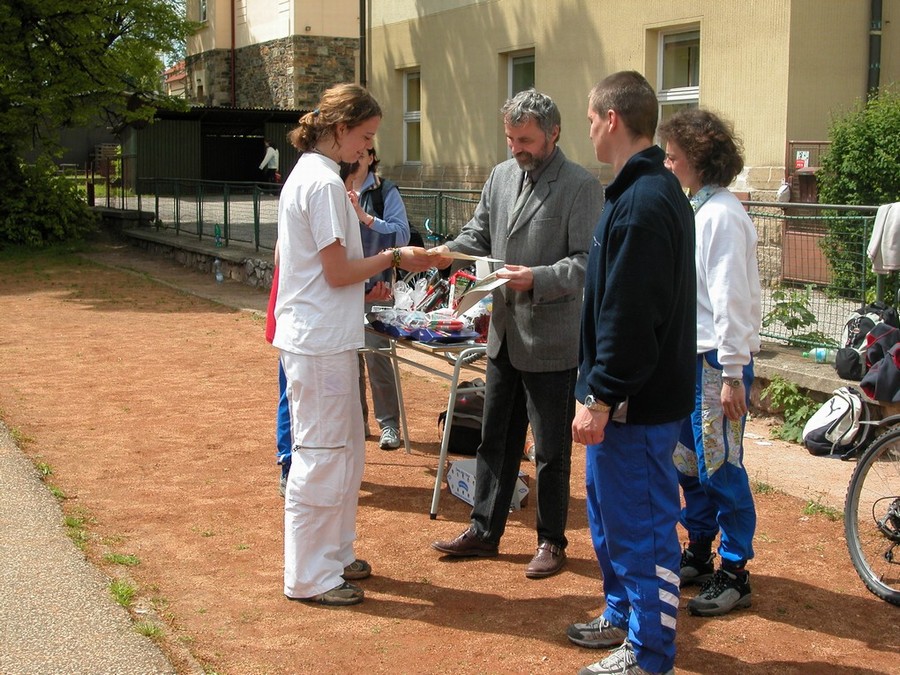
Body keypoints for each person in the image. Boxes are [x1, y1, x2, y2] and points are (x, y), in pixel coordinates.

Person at [429, 88, 604, 579]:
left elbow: (587, 264)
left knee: (550, 451)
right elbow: (478, 234)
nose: (515, 148)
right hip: (503, 335)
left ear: (554, 133)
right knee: (495, 440)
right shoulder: (501, 176)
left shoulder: (581, 186)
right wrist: (447, 252)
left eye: (524, 140)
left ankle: (551, 541)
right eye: (510, 139)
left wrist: (538, 278)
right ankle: (484, 529)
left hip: (551, 340)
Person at [273, 83, 432, 607]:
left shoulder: (319, 176)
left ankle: (334, 556)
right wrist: (394, 258)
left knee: (344, 452)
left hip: (328, 336)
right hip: (317, 341)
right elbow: (337, 271)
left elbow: (328, 270)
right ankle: (308, 575)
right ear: (340, 130)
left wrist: (372, 276)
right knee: (321, 454)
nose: (367, 148)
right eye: (364, 136)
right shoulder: (320, 182)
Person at [567, 71, 696, 675]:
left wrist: (601, 395)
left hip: (634, 407)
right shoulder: (635, 192)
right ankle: (621, 614)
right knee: (612, 520)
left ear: (612, 119)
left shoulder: (645, 200)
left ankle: (649, 654)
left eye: (592, 119)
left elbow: (630, 313)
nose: (590, 130)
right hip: (622, 402)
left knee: (643, 530)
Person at [658, 108, 761, 617]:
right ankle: (699, 549)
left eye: (673, 155)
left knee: (721, 465)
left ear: (698, 160)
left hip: (718, 363)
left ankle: (735, 569)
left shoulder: (721, 215)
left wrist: (734, 373)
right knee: (687, 462)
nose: (667, 163)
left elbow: (730, 298)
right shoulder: (697, 208)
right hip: (690, 358)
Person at [345, 148, 411, 450]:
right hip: (345, 287)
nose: (355, 158)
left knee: (378, 358)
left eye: (362, 153)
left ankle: (389, 426)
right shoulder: (336, 186)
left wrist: (366, 218)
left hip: (378, 289)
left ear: (372, 157)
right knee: (348, 359)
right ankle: (357, 423)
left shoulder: (385, 191)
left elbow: (402, 236)